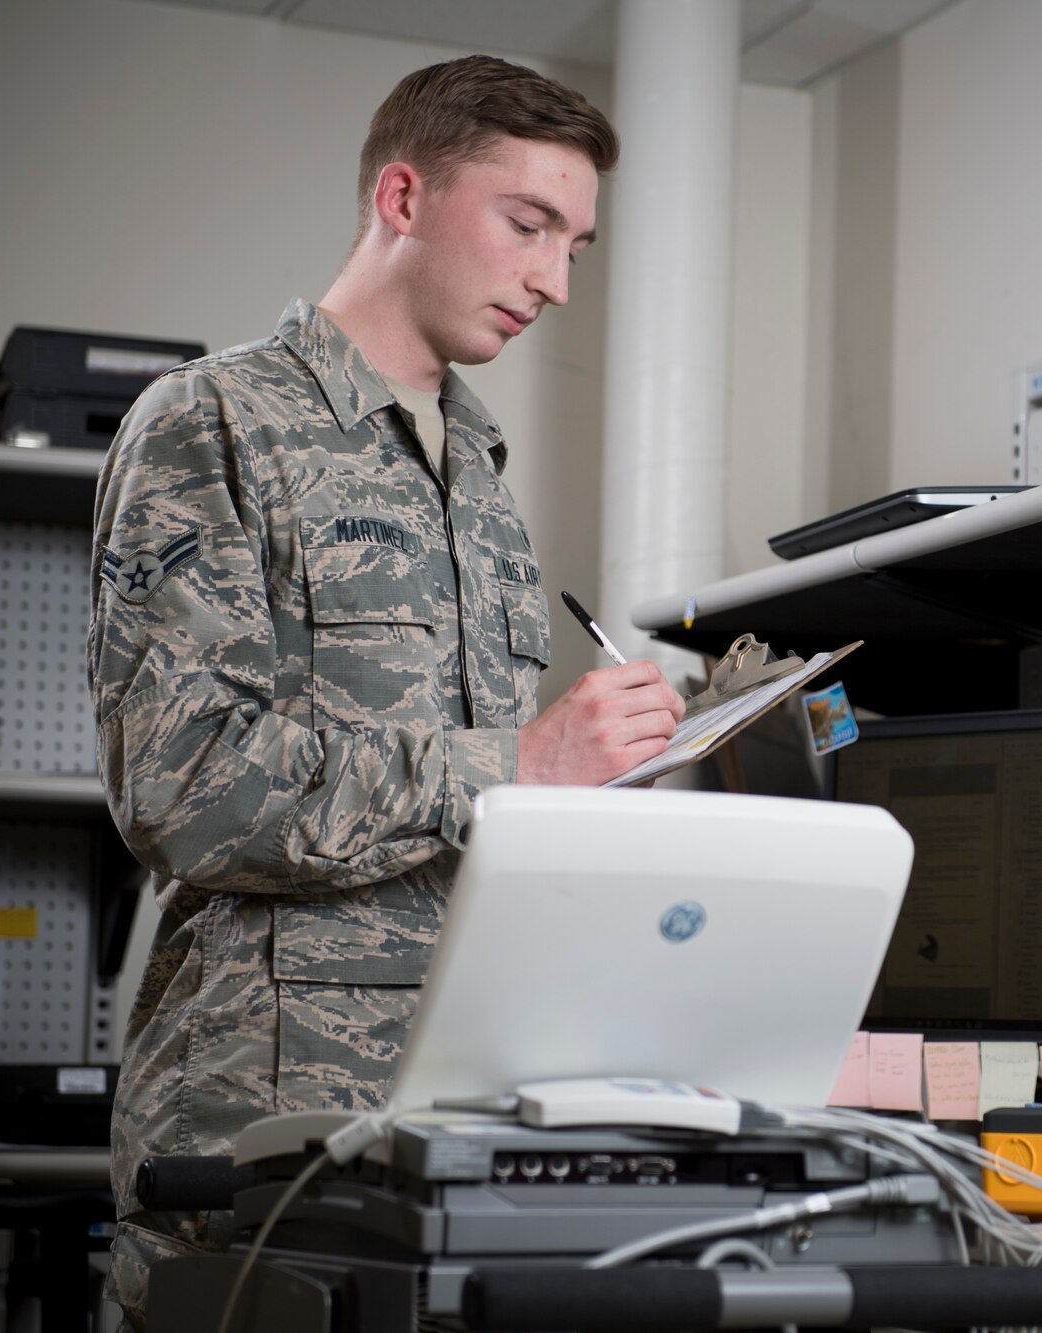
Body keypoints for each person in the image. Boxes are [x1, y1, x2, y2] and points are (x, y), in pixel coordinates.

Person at [87, 56, 685, 1324]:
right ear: (403, 196)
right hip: (261, 1124)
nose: (554, 281)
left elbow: (481, 825)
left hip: (462, 1114)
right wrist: (515, 763)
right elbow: (181, 788)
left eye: (575, 244)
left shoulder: (481, 475)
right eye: (528, 227)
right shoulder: (211, 422)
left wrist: (595, 790)